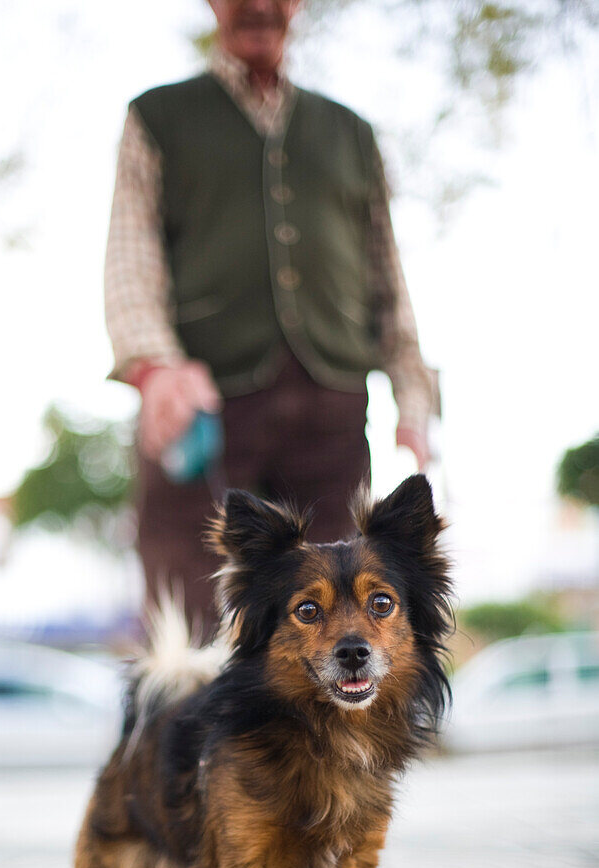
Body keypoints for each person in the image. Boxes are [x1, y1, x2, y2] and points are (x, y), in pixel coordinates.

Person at [105, 0, 435, 632]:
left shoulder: (352, 133)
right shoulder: (157, 117)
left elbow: (386, 274)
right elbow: (130, 256)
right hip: (202, 410)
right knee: (189, 627)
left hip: (331, 416)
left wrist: (413, 395)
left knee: (336, 627)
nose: (258, 5)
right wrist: (157, 369)